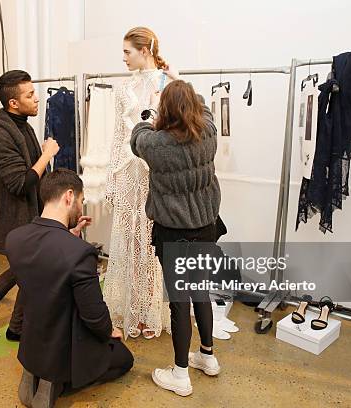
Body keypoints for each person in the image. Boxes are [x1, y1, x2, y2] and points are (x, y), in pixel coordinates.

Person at [10, 169, 133, 408]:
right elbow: (93, 313)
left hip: (33, 338)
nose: (81, 206)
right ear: (69, 196)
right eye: (81, 200)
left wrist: (71, 235)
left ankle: (36, 370)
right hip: (64, 343)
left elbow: (47, 262)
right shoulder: (79, 253)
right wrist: (109, 330)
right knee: (124, 359)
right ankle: (57, 382)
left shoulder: (15, 239)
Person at [130, 80, 222, 396]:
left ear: (166, 110)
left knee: (179, 302)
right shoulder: (208, 132)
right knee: (201, 292)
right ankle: (207, 357)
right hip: (206, 227)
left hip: (175, 235)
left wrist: (151, 110)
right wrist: (184, 91)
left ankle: (181, 374)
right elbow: (204, 108)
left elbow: (136, 137)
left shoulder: (156, 145)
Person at [0, 70, 60, 341]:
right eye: (29, 95)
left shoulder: (22, 125)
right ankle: (3, 321)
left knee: (26, 270)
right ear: (13, 103)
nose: (36, 98)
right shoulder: (0, 137)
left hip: (28, 214)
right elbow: (21, 183)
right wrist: (47, 154)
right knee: (28, 269)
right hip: (13, 217)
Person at [104, 26, 178, 340]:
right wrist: (110, 178)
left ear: (144, 50)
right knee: (127, 241)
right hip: (127, 172)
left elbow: (175, 133)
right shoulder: (123, 88)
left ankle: (148, 310)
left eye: (127, 52)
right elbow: (118, 136)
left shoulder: (169, 83)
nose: (123, 58)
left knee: (151, 244)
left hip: (154, 174)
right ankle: (126, 309)